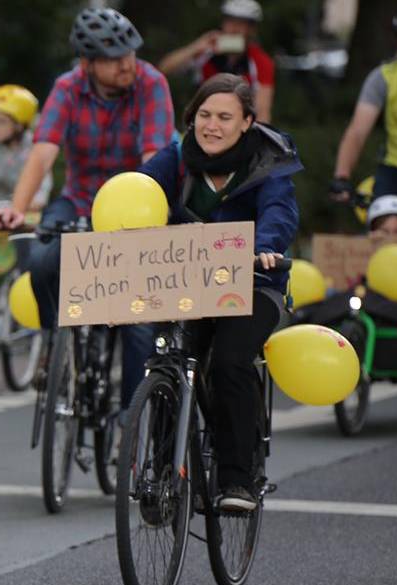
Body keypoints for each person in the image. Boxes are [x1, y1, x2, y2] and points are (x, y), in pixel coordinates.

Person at [0, 6, 175, 409]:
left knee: (139, 326)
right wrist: (18, 208)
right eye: (114, 59)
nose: (127, 65)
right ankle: (58, 344)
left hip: (135, 206)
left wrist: (146, 219)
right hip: (80, 199)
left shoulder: (151, 83)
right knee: (40, 261)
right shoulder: (68, 87)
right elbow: (43, 152)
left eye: (130, 53)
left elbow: (155, 158)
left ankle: (130, 418)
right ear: (88, 64)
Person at [134, 73, 299, 512]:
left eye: (225, 117)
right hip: (188, 282)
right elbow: (138, 191)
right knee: (167, 360)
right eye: (204, 115)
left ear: (247, 122)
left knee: (229, 360)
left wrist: (265, 247)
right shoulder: (176, 158)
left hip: (252, 283)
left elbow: (279, 210)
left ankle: (237, 478)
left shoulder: (269, 160)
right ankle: (161, 477)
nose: (212, 126)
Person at [332, 8, 397, 206]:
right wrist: (342, 177)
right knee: (386, 222)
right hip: (396, 170)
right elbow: (357, 132)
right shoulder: (383, 77)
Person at [157, 0, 276, 122]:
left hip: (238, 126)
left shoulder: (261, 62)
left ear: (252, 30)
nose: (234, 29)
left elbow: (263, 111)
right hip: (202, 121)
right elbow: (163, 69)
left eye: (241, 24)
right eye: (230, 21)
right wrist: (196, 47)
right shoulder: (207, 51)